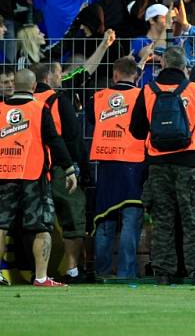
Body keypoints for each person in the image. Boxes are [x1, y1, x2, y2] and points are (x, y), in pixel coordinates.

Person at [129, 46, 195, 285]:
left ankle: (163, 273)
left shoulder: (147, 90)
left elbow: (136, 131)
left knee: (163, 221)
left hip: (158, 163)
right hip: (189, 163)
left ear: (163, 65)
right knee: (193, 220)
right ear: (184, 66)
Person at [0, 69, 77, 287]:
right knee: (41, 226)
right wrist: (69, 169)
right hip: (33, 175)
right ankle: (41, 278)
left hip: (4, 173)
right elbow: (55, 140)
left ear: (14, 85)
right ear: (34, 87)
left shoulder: (0, 109)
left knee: (1, 224)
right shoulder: (39, 108)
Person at [87, 56, 146, 279]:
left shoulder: (99, 97)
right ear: (137, 76)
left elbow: (93, 121)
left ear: (115, 74)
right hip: (134, 164)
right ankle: (126, 273)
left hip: (106, 165)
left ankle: (101, 273)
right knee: (131, 220)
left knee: (104, 219)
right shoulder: (142, 96)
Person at [31, 62, 88, 282]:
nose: (61, 76)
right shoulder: (58, 101)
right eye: (57, 73)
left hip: (32, 170)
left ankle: (37, 271)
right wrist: (76, 165)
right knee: (72, 216)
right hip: (60, 168)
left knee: (35, 222)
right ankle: (72, 270)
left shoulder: (25, 103)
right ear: (47, 78)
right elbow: (72, 137)